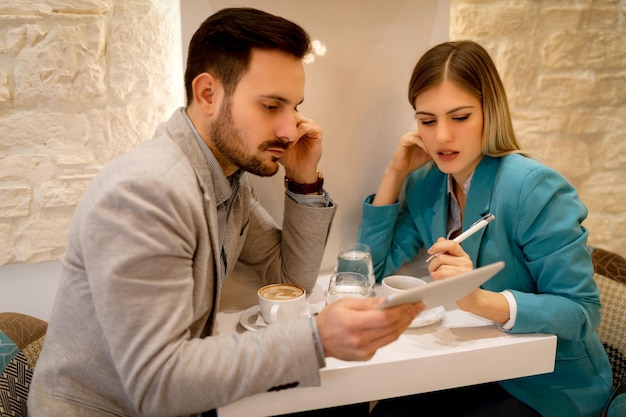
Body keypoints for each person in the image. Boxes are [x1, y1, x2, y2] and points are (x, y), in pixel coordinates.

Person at [28, 7, 423, 417]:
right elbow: (157, 383)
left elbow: (289, 280)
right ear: (207, 94)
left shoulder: (228, 181)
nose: (290, 130)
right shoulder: (147, 193)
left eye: (294, 108)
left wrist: (305, 182)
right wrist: (316, 339)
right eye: (272, 106)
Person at [358, 40, 613, 417]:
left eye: (459, 117)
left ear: (489, 112)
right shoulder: (427, 183)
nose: (441, 136)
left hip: (548, 383)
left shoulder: (534, 188)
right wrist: (395, 173)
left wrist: (477, 299)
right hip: (469, 366)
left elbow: (581, 311)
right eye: (427, 120)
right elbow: (369, 273)